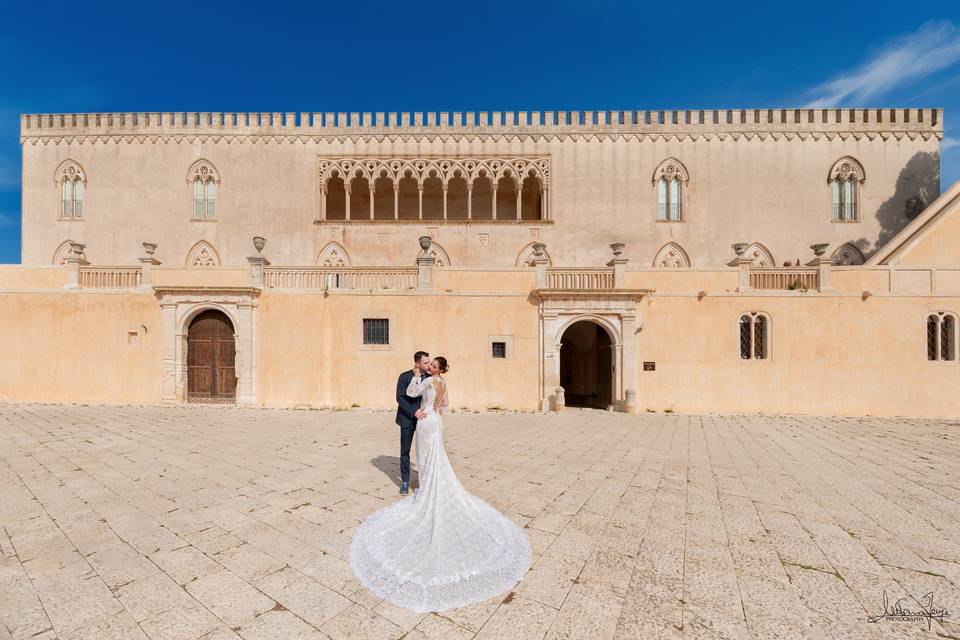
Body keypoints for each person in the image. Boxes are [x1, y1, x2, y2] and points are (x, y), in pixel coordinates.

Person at [350, 356, 531, 613]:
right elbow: (445, 404)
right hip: (437, 421)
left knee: (426, 458)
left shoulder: (427, 380)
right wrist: (433, 410)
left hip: (426, 422)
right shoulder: (443, 383)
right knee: (436, 456)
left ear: (438, 369)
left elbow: (412, 391)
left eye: (433, 365)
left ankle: (428, 488)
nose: (430, 367)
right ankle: (433, 484)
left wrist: (417, 378)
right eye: (429, 364)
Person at [394, 351, 430, 495]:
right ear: (417, 363)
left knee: (424, 451)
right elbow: (400, 398)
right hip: (407, 418)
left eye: (429, 362)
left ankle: (424, 480)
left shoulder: (429, 377)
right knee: (405, 450)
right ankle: (404, 481)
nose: (428, 365)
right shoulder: (404, 377)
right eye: (425, 363)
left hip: (424, 420)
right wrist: (413, 412)